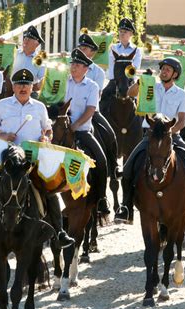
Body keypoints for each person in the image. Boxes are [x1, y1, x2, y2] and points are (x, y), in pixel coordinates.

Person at [0, 68, 75, 249]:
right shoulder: (2, 105)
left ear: (32, 87)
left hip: (31, 158)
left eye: (26, 84)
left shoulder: (39, 107)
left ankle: (59, 232)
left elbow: (48, 129)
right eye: (19, 84)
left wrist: (46, 138)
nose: (22, 87)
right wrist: (4, 136)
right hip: (6, 155)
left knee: (50, 189)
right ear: (13, 87)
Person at [114, 57, 185, 224]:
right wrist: (140, 83)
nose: (163, 71)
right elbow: (129, 94)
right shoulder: (150, 87)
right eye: (162, 69)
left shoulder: (182, 94)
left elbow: (182, 121)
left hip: (172, 137)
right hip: (150, 137)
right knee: (128, 167)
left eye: (168, 69)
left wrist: (168, 133)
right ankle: (126, 207)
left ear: (175, 74)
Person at [64, 48, 111, 215]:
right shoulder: (63, 81)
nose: (74, 67)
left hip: (82, 132)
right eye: (73, 64)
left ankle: (101, 199)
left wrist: (75, 126)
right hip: (61, 133)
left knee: (101, 160)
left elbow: (91, 110)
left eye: (78, 65)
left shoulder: (92, 86)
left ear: (86, 69)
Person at [77, 33, 121, 178]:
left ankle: (113, 166)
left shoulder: (99, 72)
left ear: (93, 52)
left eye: (85, 48)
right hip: (70, 110)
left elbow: (97, 96)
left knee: (110, 134)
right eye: (80, 47)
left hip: (92, 111)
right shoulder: (70, 65)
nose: (81, 50)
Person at [100, 18, 142, 110]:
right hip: (114, 81)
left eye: (125, 32)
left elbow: (134, 67)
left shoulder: (137, 50)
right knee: (102, 99)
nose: (122, 33)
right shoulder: (112, 48)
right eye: (121, 31)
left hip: (129, 82)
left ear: (131, 34)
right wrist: (102, 39)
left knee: (141, 103)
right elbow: (108, 64)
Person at [5, 25, 46, 95]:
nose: (25, 41)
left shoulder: (39, 61)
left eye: (29, 40)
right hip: (10, 90)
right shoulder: (14, 53)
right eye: (25, 38)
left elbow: (42, 81)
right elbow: (0, 64)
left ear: (36, 44)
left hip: (29, 93)